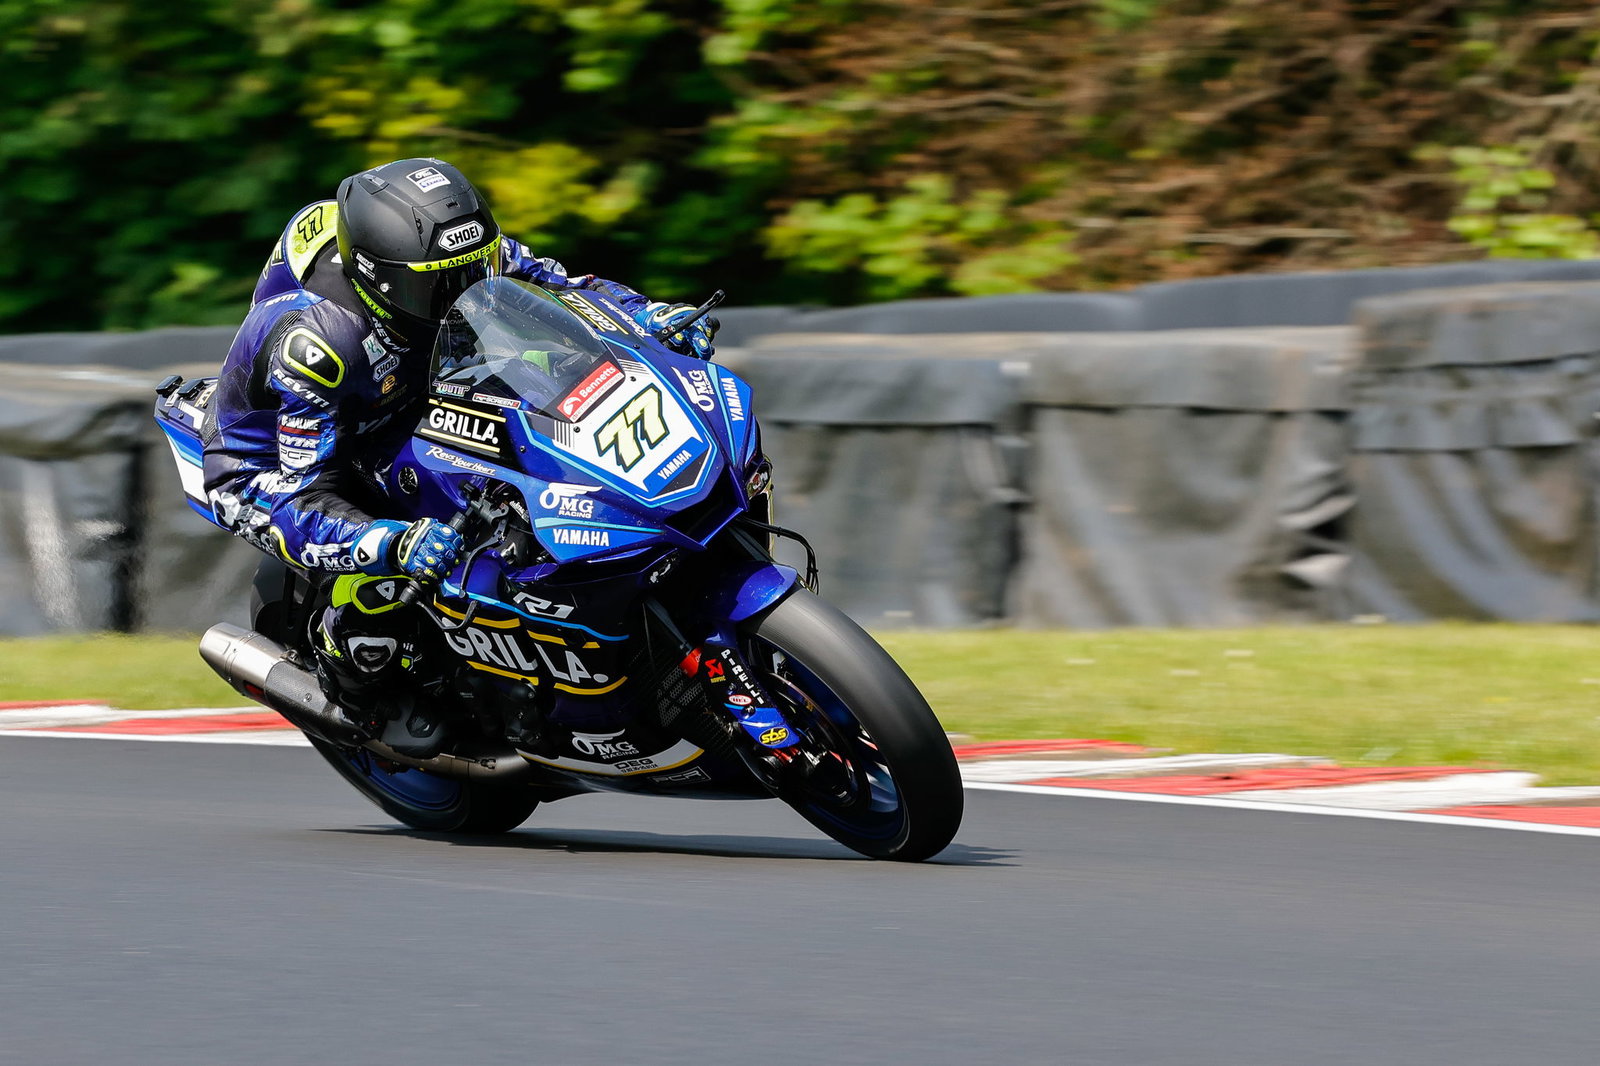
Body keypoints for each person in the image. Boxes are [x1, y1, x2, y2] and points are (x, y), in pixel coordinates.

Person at [201, 157, 717, 754]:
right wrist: (390, 542)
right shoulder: (317, 345)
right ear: (379, 280)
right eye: (438, 287)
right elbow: (305, 493)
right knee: (410, 550)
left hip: (414, 389)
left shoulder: (463, 254)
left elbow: (563, 288)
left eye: (473, 272)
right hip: (281, 466)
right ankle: (351, 664)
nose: (461, 292)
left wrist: (650, 316)